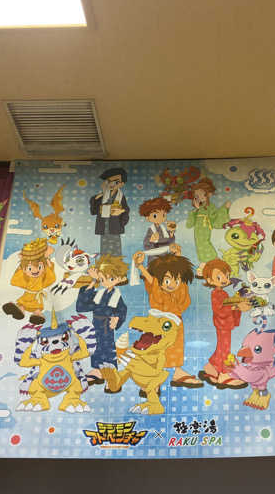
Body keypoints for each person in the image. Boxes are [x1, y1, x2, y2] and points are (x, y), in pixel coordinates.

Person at [133, 249, 202, 387]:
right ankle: (153, 379)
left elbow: (183, 293)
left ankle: (178, 372)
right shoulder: (156, 286)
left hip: (175, 322)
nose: (172, 284)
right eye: (167, 280)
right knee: (156, 348)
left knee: (176, 347)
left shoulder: (180, 289)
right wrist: (140, 266)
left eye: (176, 280)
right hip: (158, 322)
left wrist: (178, 257)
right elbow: (151, 280)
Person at [76, 254, 129, 392]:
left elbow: (122, 310)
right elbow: (81, 306)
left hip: (106, 327)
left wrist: (117, 318)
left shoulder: (116, 296)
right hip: (96, 325)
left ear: (119, 279)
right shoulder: (99, 294)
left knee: (108, 350)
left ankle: (112, 377)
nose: (105, 282)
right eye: (102, 279)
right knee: (95, 348)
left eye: (110, 279)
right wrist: (93, 281)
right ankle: (97, 371)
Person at [199, 259, 251, 389]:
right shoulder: (216, 293)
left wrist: (238, 306)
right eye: (219, 277)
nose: (224, 280)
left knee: (221, 347)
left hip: (224, 324)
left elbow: (228, 304)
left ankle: (211, 367)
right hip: (222, 324)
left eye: (226, 276)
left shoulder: (222, 293)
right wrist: (236, 307)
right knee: (224, 349)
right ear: (210, 280)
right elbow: (219, 310)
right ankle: (224, 374)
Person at [3, 238, 56, 325]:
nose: (35, 271)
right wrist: (21, 264)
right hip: (30, 294)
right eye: (30, 269)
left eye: (39, 267)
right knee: (26, 304)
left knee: (35, 306)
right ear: (24, 269)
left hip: (36, 295)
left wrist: (48, 261)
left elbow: (49, 276)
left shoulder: (43, 274)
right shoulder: (25, 274)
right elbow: (19, 276)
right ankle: (20, 310)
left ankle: (36, 315)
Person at [185, 178, 230, 275]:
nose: (199, 198)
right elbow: (189, 224)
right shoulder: (197, 209)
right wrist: (196, 210)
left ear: (208, 195)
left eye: (202, 195)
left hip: (205, 229)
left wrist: (224, 208)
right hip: (198, 231)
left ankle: (212, 262)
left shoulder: (211, 207)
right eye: (197, 196)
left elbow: (216, 220)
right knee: (199, 245)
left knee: (205, 243)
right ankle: (205, 264)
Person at [89, 167, 129, 256]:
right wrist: (97, 197)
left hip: (115, 227)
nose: (112, 184)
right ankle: (105, 264)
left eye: (116, 182)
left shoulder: (120, 197)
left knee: (116, 249)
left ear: (122, 184)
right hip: (104, 227)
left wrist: (121, 214)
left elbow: (126, 210)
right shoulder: (102, 196)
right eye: (109, 181)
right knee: (105, 249)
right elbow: (93, 211)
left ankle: (117, 264)